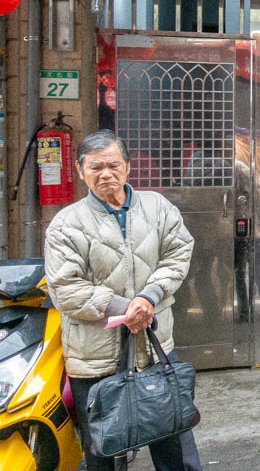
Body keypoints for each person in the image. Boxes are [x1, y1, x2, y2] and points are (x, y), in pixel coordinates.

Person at [44, 130, 200, 471]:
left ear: (128, 167)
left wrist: (149, 296)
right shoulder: (65, 225)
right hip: (95, 357)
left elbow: (178, 252)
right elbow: (65, 289)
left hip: (155, 346)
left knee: (172, 437)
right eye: (95, 166)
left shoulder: (158, 207)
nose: (105, 173)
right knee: (102, 452)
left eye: (113, 164)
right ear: (79, 170)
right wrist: (125, 308)